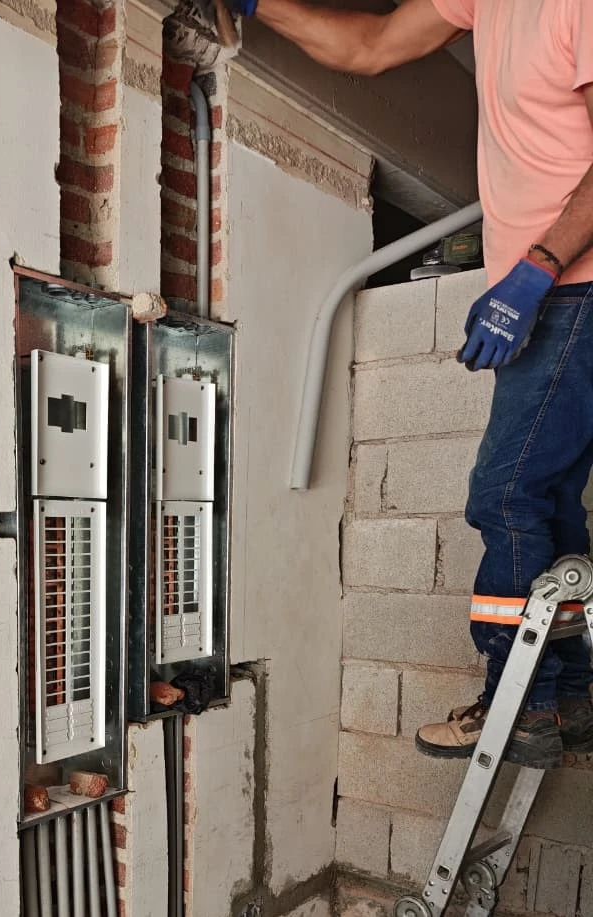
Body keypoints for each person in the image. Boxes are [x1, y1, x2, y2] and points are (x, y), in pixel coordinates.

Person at [222, 0, 593, 768]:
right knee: (547, 497)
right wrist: (262, 7)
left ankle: (520, 698)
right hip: (555, 292)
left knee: (505, 492)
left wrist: (537, 267)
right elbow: (370, 44)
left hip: (576, 287)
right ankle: (563, 695)